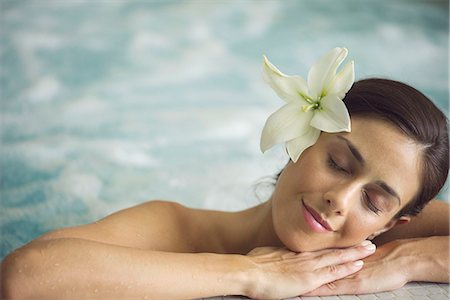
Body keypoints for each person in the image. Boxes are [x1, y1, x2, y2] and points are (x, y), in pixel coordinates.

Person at [1, 48, 449, 300]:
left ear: (394, 224)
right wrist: (247, 273)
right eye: (337, 163)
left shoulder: (384, 242)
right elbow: (25, 276)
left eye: (373, 202)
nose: (341, 199)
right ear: (304, 137)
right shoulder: (178, 229)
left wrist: (410, 260)